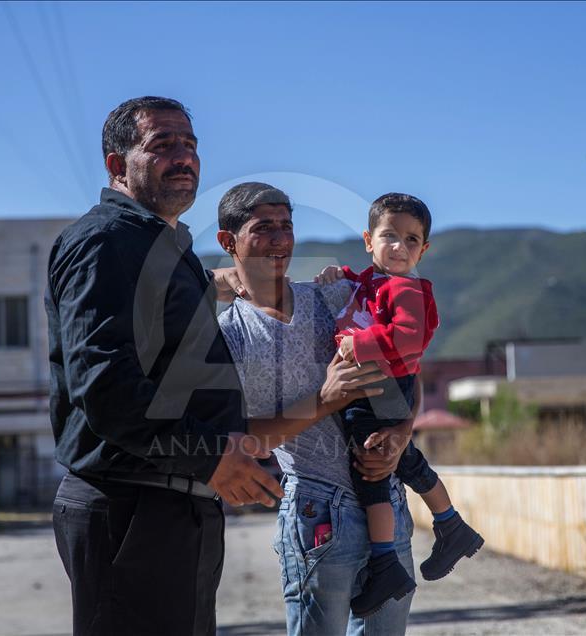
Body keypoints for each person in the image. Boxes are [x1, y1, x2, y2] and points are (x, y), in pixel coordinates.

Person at [45, 98, 381, 635]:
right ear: (116, 166)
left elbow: (162, 332)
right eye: (162, 145)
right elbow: (105, 385)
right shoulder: (106, 242)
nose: (183, 157)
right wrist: (209, 460)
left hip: (173, 504)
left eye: (190, 145)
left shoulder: (160, 246)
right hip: (132, 507)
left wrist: (218, 280)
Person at [216, 182, 422, 635]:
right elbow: (248, 440)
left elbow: (407, 370)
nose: (280, 239)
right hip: (317, 512)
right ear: (228, 242)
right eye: (263, 228)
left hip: (386, 502)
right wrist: (326, 400)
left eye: (286, 226)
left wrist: (403, 431)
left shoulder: (333, 297)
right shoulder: (227, 335)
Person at [322, 192, 484, 617]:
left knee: (371, 468)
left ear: (423, 250)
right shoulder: (374, 281)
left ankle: (385, 563)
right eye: (389, 236)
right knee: (406, 460)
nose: (400, 247)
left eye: (411, 241)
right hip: (382, 389)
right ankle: (450, 525)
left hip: (382, 390)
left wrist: (358, 343)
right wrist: (340, 274)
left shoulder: (406, 288)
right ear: (368, 240)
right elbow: (363, 289)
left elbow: (409, 339)